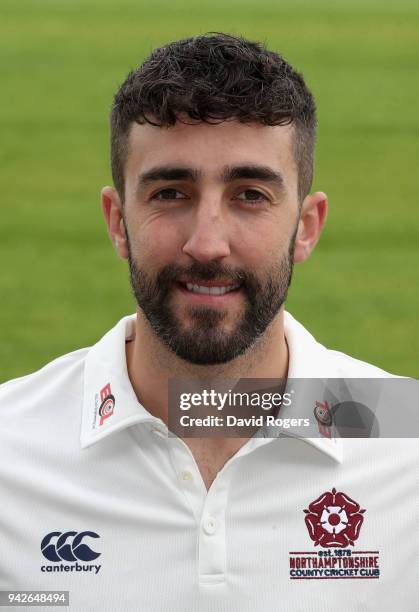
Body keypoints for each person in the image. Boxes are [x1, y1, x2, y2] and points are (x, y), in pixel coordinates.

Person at [0, 33, 417, 612]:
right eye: (171, 192)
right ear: (117, 221)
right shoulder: (9, 449)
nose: (207, 244)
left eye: (250, 195)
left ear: (307, 225)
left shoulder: (408, 448)